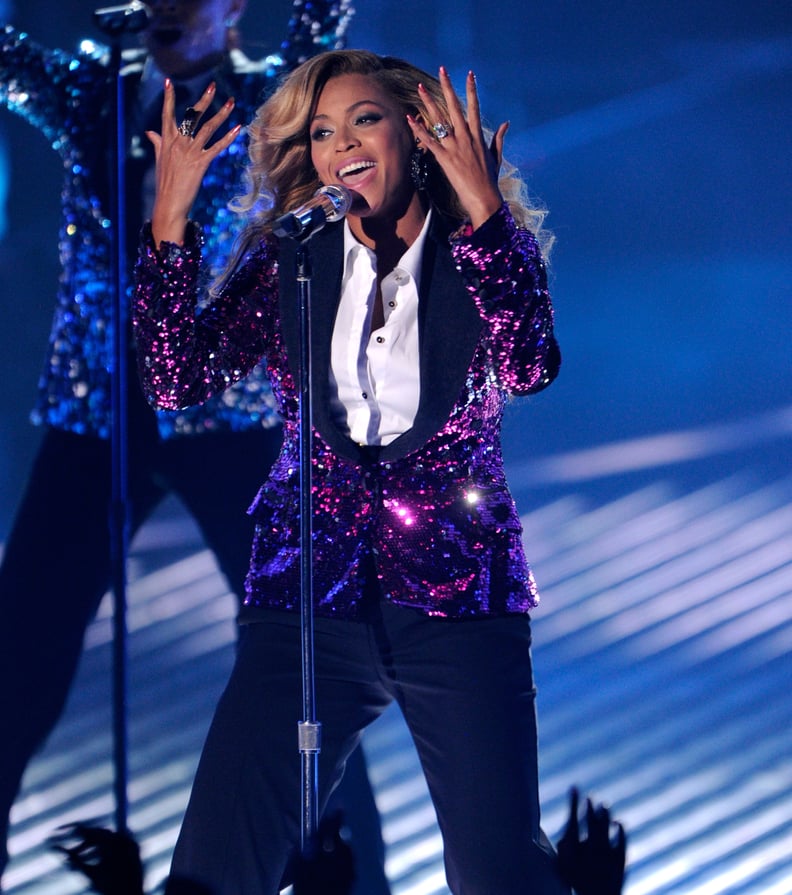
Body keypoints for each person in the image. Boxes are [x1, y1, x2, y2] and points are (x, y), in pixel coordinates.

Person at [133, 48, 564, 895]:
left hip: (455, 600)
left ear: (417, 130)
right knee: (218, 866)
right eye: (323, 132)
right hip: (304, 604)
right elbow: (176, 378)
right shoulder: (296, 257)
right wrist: (170, 220)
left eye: (364, 119)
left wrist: (481, 209)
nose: (341, 146)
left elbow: (529, 361)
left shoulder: (479, 255)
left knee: (500, 872)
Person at [0, 6, 392, 895]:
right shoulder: (93, 91)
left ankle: (351, 876)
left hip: (230, 409)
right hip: (100, 411)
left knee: (306, 650)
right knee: (19, 648)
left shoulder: (274, 98)